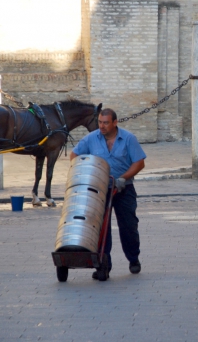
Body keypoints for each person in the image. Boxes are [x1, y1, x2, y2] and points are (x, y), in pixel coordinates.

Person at [70, 108, 146, 279]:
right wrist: (84, 172)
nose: (102, 126)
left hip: (123, 188)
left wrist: (122, 178)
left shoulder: (128, 139)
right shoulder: (91, 138)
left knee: (129, 226)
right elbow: (75, 155)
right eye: (100, 122)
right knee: (101, 229)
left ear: (115, 122)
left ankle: (133, 259)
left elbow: (139, 163)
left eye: (105, 123)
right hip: (100, 190)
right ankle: (103, 265)